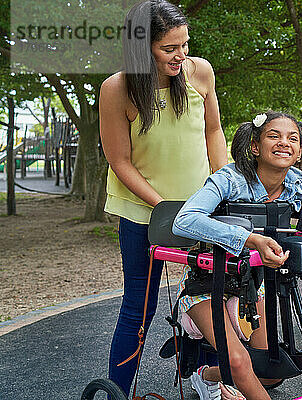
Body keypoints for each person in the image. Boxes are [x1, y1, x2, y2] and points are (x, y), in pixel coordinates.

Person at [172, 111, 302, 400]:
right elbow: (184, 220)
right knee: (239, 362)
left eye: (292, 138)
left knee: (270, 370)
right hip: (206, 284)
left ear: (299, 152)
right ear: (255, 147)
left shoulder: (297, 182)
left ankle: (206, 376)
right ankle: (226, 372)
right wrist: (250, 239)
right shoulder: (229, 179)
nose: (283, 143)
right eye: (273, 136)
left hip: (252, 285)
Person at [99, 0, 227, 396]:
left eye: (184, 44)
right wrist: (164, 208)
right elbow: (119, 159)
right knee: (140, 305)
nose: (181, 55)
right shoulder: (117, 88)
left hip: (202, 208)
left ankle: (208, 380)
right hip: (144, 212)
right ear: (142, 47)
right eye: (169, 48)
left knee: (214, 297)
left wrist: (221, 185)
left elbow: (213, 132)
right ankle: (118, 390)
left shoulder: (199, 72)